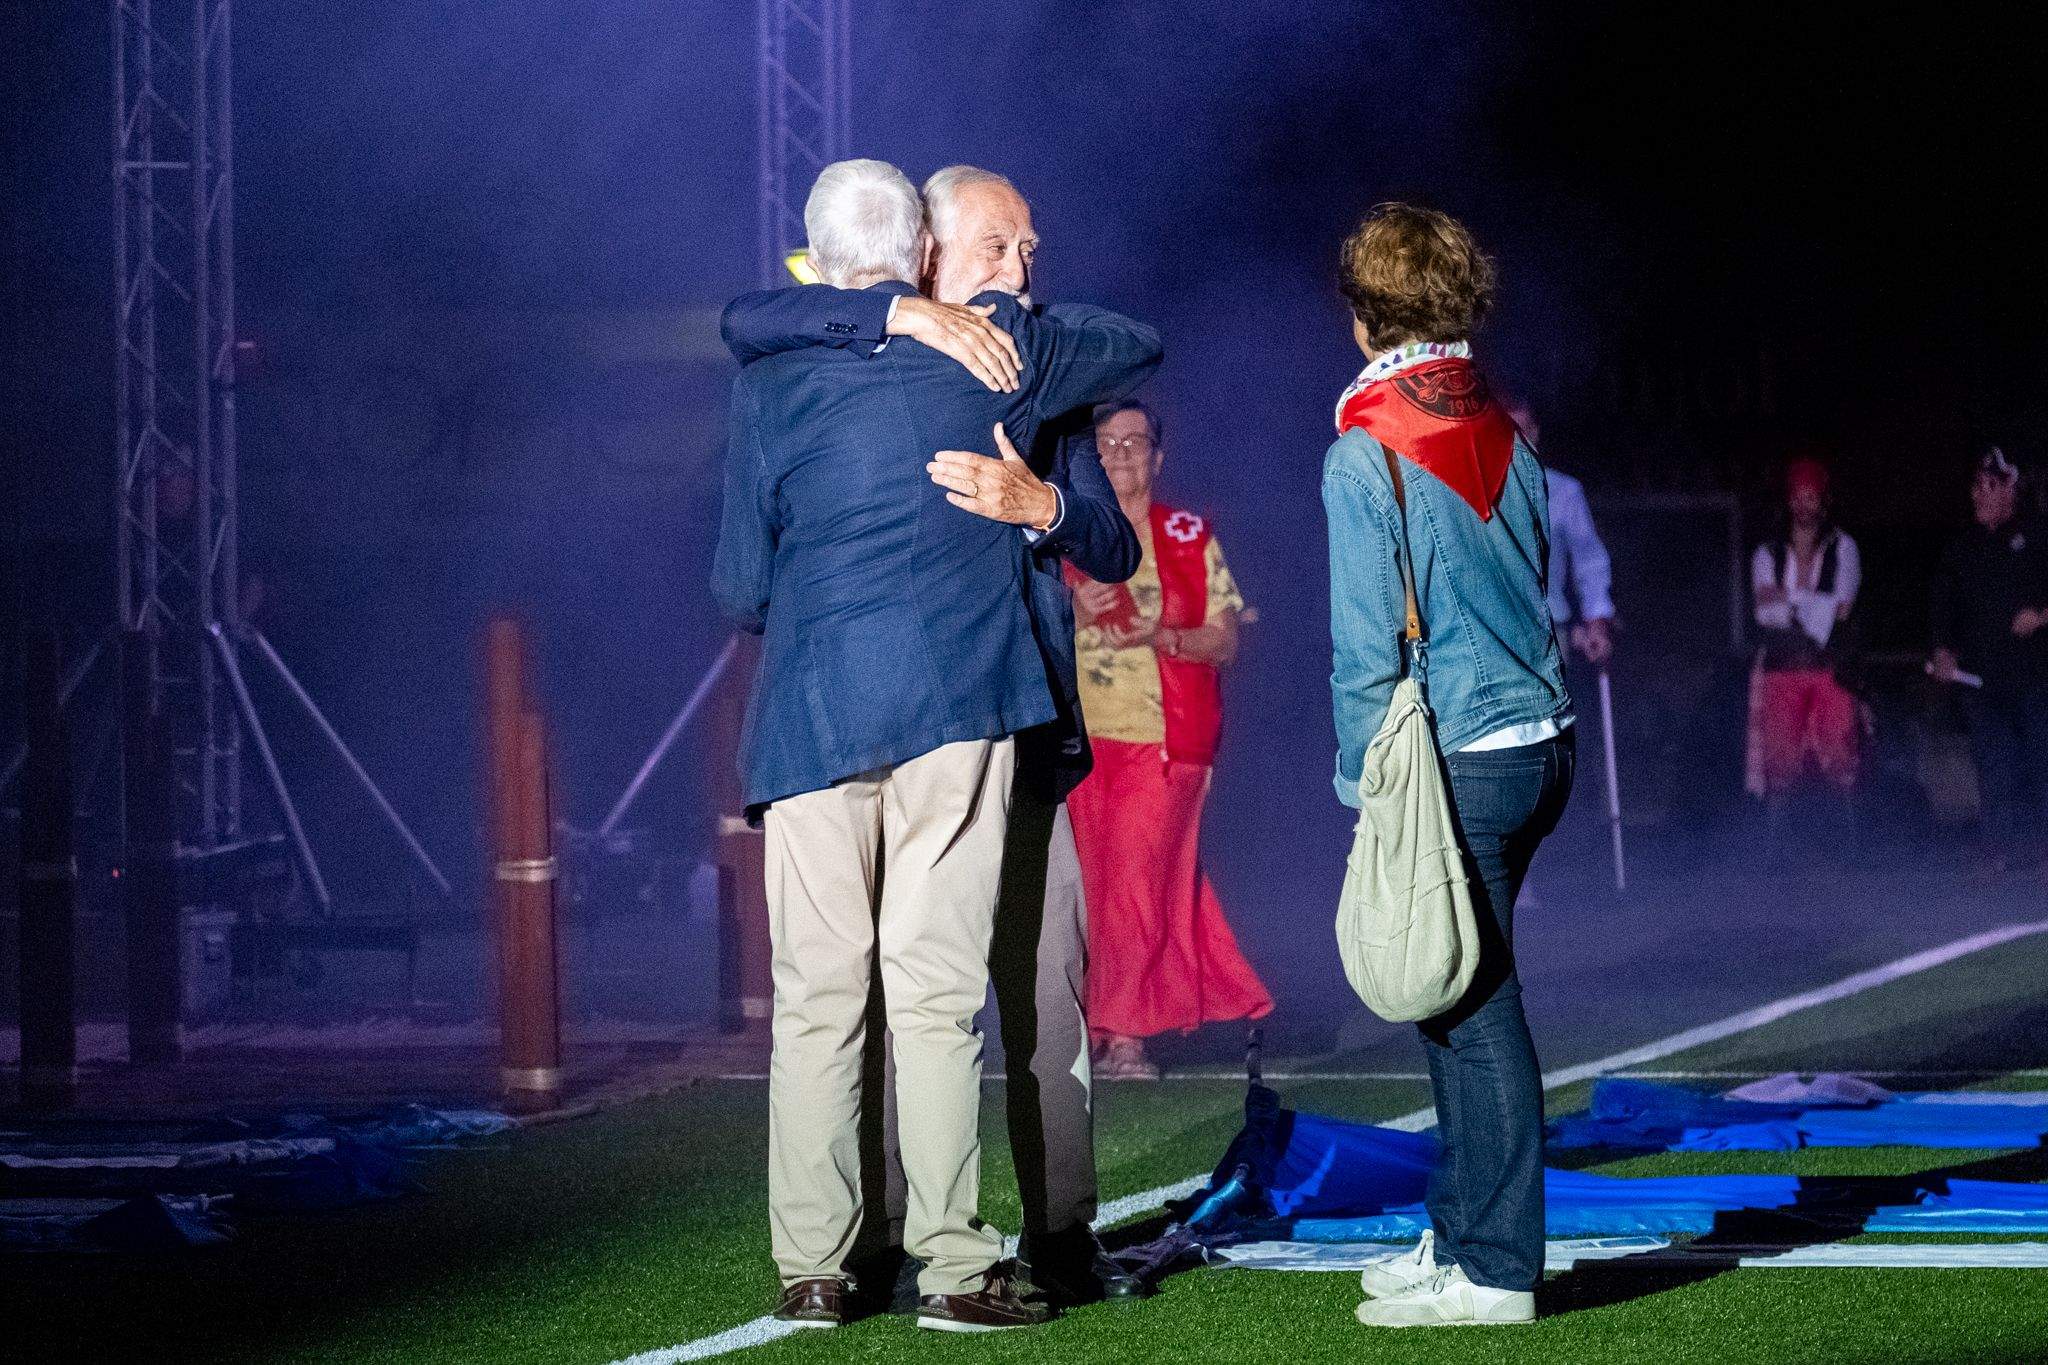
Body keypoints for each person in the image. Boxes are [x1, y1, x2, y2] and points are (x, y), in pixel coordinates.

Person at [709, 159, 1160, 1333]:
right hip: (963, 709)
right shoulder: (992, 363)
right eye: (998, 251)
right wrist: (908, 316)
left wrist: (1046, 508)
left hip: (852, 717)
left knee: (849, 1000)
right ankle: (943, 1263)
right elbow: (1138, 340)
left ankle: (848, 1261)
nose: (1018, 274)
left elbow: (736, 582)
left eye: (1028, 255)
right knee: (937, 997)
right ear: (921, 254)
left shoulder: (785, 382)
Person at [1322, 203, 1573, 1328]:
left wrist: (1358, 785)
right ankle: (1464, 1229)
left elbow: (1361, 640)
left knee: (1469, 1008)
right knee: (1448, 993)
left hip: (1457, 758)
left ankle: (1496, 1268)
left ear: (1366, 310)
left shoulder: (1362, 451)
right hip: (1538, 743)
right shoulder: (1505, 427)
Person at [1064, 399, 1273, 1081]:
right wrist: (1067, 604)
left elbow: (1226, 640)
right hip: (1074, 741)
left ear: (1160, 455)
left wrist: (1163, 636)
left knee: (1132, 882)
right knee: (1089, 888)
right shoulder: (1062, 533)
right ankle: (1095, 1025)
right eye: (1106, 443)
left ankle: (1126, 1037)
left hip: (1164, 738)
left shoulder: (1186, 536)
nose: (1120, 454)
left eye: (1135, 441)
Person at [1931, 447, 2048, 874]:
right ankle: (1996, 849)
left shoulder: (2037, 535)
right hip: (1981, 681)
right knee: (1994, 767)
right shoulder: (1963, 548)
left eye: (1989, 486)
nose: (1979, 495)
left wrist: (2041, 616)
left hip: (2035, 678)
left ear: (2010, 490)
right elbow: (1942, 603)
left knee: (2042, 763)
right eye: (1975, 486)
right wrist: (1942, 649)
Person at [1744, 458, 1863, 834]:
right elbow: (1764, 613)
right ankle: (1776, 848)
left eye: (1811, 497)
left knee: (1840, 756)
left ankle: (1849, 843)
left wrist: (1788, 599)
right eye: (1798, 497)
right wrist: (1816, 603)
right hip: (1782, 668)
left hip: (1830, 669)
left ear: (1823, 501)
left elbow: (1843, 608)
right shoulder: (1768, 552)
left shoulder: (1843, 547)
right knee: (1779, 761)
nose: (1804, 505)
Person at [1505, 399, 1614, 666]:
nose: (1516, 440)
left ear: (1535, 432)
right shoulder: (1474, 493)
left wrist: (1596, 623)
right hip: (1492, 632)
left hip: (1550, 629)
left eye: (1523, 430)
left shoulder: (1563, 491)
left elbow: (1589, 559)